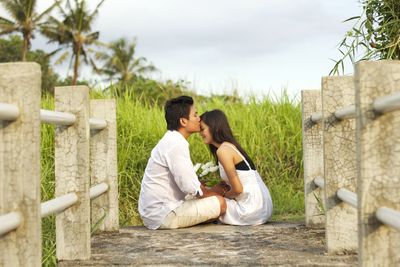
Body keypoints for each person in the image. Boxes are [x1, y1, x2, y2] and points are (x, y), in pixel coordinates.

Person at [138, 96, 226, 230]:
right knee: (221, 203)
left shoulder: (172, 139)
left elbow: (190, 185)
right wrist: (215, 193)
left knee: (210, 198)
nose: (199, 118)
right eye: (195, 115)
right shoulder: (176, 144)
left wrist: (208, 190)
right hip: (162, 215)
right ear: (183, 121)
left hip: (158, 211)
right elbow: (189, 187)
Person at [199, 109, 273, 225]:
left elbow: (238, 189)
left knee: (208, 201)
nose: (200, 133)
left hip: (250, 209)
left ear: (214, 127)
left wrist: (221, 195)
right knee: (209, 197)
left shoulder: (223, 151)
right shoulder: (229, 146)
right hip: (263, 206)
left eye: (202, 129)